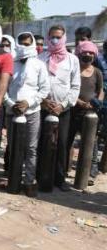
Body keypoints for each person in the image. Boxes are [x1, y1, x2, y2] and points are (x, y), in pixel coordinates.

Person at [4, 32, 49, 197]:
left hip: (32, 112)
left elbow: (44, 89)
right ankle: (13, 179)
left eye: (27, 43)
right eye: (21, 43)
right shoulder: (10, 63)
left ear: (32, 44)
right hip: (12, 112)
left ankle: (29, 181)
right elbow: (2, 89)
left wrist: (28, 103)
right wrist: (11, 104)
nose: (24, 46)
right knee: (14, 147)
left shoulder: (39, 65)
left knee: (31, 148)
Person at [39, 24, 81, 191]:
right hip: (43, 107)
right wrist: (43, 101)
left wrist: (63, 105)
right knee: (42, 141)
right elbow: (35, 83)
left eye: (58, 37)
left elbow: (75, 87)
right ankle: (40, 175)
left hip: (63, 110)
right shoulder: (41, 58)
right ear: (48, 38)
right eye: (52, 37)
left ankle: (59, 178)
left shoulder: (73, 60)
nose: (55, 40)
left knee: (62, 143)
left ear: (64, 38)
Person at [66, 40, 104, 185]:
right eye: (85, 53)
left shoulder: (97, 72)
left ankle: (89, 172)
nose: (87, 55)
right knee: (67, 141)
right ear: (79, 54)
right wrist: (79, 102)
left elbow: (100, 90)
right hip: (73, 111)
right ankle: (64, 169)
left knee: (91, 143)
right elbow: (69, 89)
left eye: (91, 53)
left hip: (90, 114)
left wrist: (96, 102)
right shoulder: (74, 71)